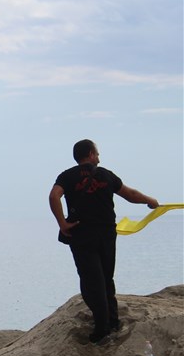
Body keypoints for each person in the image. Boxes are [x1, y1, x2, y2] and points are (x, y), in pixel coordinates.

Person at [49, 139, 158, 345]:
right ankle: (112, 322)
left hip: (82, 234)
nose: (99, 157)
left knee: (92, 281)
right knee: (106, 278)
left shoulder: (67, 176)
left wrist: (62, 223)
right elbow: (130, 194)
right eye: (97, 153)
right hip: (106, 233)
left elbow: (54, 196)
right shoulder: (106, 175)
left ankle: (102, 330)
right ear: (90, 154)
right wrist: (149, 200)